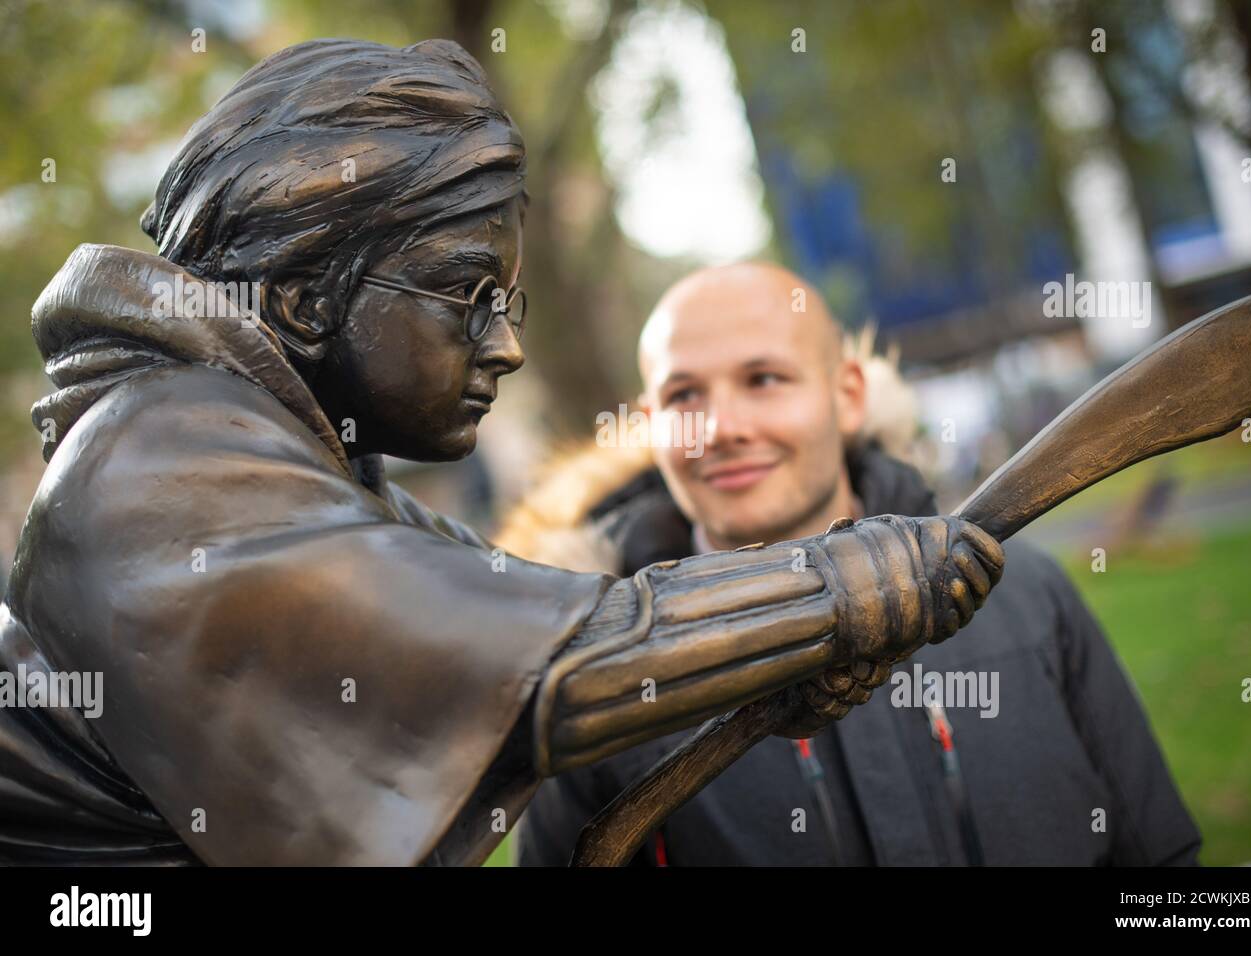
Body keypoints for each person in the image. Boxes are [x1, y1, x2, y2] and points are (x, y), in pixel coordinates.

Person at [0, 40, 1001, 866]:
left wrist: (771, 659)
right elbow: (551, 662)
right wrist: (841, 583)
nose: (506, 344)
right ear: (304, 300)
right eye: (465, 292)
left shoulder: (293, 466)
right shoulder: (152, 467)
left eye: (505, 302)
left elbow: (525, 612)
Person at [510, 262, 1202, 866]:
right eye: (683, 395)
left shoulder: (1030, 597)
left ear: (845, 395)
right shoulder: (600, 678)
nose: (720, 427)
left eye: (764, 378)